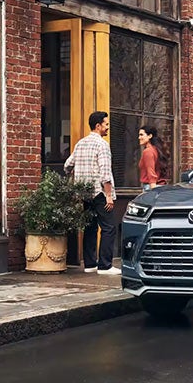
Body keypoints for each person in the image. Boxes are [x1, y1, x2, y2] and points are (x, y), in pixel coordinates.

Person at [64, 111, 120, 275]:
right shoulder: (102, 145)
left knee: (90, 228)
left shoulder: (80, 144)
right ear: (98, 126)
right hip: (99, 193)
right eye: (106, 124)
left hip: (84, 193)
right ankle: (105, 266)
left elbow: (67, 165)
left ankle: (90, 264)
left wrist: (75, 177)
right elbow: (105, 172)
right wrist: (108, 196)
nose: (108, 127)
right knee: (109, 228)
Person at [138, 125, 169, 191]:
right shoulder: (157, 150)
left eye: (141, 135)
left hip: (151, 187)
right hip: (161, 186)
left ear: (150, 136)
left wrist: (154, 191)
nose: (139, 137)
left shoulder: (148, 151)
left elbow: (151, 172)